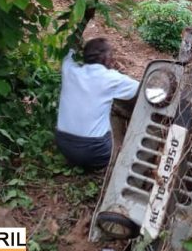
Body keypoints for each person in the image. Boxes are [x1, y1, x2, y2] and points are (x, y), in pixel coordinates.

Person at [55, 38, 139, 169]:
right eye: (111, 56)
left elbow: (70, 47)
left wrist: (84, 21)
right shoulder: (112, 78)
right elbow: (142, 89)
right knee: (117, 105)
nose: (113, 60)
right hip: (95, 153)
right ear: (105, 59)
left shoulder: (69, 69)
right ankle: (122, 155)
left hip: (64, 147)